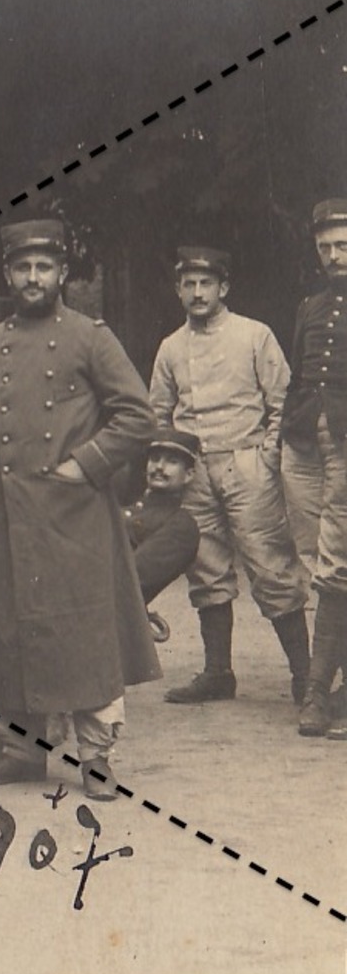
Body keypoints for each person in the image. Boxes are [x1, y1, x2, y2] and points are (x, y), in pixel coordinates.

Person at [0, 219, 159, 801]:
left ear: (62, 273)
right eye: (23, 268)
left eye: (44, 267)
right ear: (10, 275)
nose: (33, 277)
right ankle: (21, 751)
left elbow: (138, 416)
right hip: (10, 515)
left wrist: (84, 466)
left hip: (75, 517)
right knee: (10, 629)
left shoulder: (90, 337)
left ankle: (96, 756)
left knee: (86, 633)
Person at [147, 246, 311, 705]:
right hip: (195, 470)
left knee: (272, 567)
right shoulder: (171, 348)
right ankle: (218, 673)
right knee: (207, 568)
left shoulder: (253, 335)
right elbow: (158, 414)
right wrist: (172, 467)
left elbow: (283, 400)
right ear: (179, 290)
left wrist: (265, 455)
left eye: (206, 284)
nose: (198, 293)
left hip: (247, 464)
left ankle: (306, 679)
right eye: (189, 284)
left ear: (224, 288)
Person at [282, 199, 347, 736]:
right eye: (325, 246)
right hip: (306, 443)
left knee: (335, 563)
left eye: (343, 244)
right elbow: (301, 376)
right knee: (315, 555)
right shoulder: (310, 306)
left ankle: (315, 694)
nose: (334, 255)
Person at [125, 428, 203, 605]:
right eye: (154, 459)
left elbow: (130, 578)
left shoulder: (181, 526)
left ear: (189, 475)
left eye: (172, 461)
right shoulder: (130, 504)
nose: (159, 466)